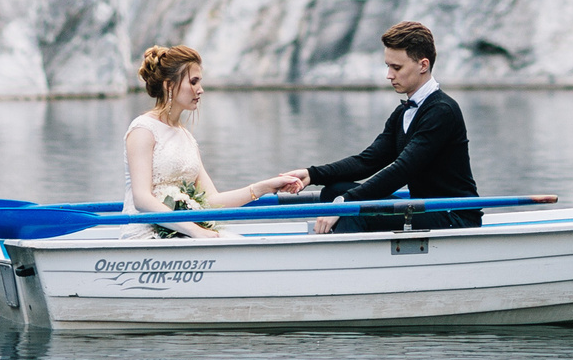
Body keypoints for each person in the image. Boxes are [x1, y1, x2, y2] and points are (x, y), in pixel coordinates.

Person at [285, 21, 482, 233]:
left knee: (350, 206)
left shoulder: (442, 111)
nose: (389, 75)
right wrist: (312, 174)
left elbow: (403, 170)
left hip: (453, 216)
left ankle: (347, 263)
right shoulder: (403, 113)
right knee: (335, 189)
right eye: (388, 66)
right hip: (425, 210)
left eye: (396, 67)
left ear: (423, 65)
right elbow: (368, 160)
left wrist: (346, 201)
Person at [123, 44, 301, 237]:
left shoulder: (187, 138)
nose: (200, 90)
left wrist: (264, 187)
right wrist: (196, 231)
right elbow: (142, 199)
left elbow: (212, 200)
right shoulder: (143, 129)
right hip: (147, 234)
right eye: (193, 82)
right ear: (169, 86)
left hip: (187, 233)